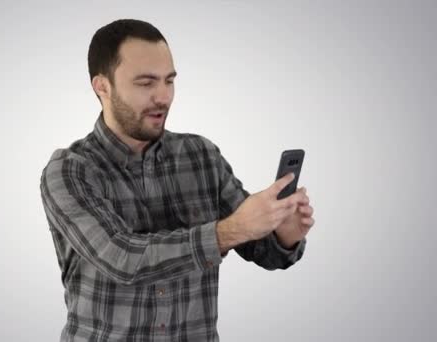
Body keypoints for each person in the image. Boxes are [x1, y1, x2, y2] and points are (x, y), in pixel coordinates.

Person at [40, 18, 315, 341]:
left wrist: (284, 236)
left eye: (169, 81)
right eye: (146, 83)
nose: (163, 96)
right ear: (102, 86)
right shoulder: (69, 170)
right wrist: (233, 229)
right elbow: (121, 258)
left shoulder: (201, 155)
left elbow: (262, 250)